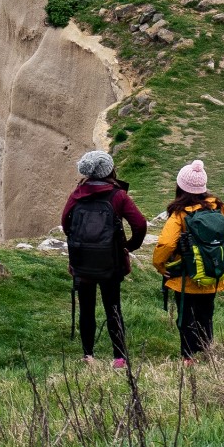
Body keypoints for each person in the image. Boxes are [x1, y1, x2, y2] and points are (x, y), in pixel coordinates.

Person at [151, 160, 224, 360]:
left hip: (185, 277)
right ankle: (206, 352)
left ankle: (188, 357)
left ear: (180, 187)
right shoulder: (218, 206)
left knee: (186, 317)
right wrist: (221, 251)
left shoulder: (180, 213)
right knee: (206, 315)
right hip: (212, 274)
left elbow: (166, 244)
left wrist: (159, 264)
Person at [62, 151, 148, 367]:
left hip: (82, 262)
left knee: (87, 309)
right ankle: (119, 358)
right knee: (113, 308)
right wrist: (128, 247)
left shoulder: (78, 193)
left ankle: (88, 355)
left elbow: (65, 222)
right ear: (109, 170)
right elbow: (139, 224)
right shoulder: (118, 195)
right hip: (111, 263)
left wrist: (80, 243)